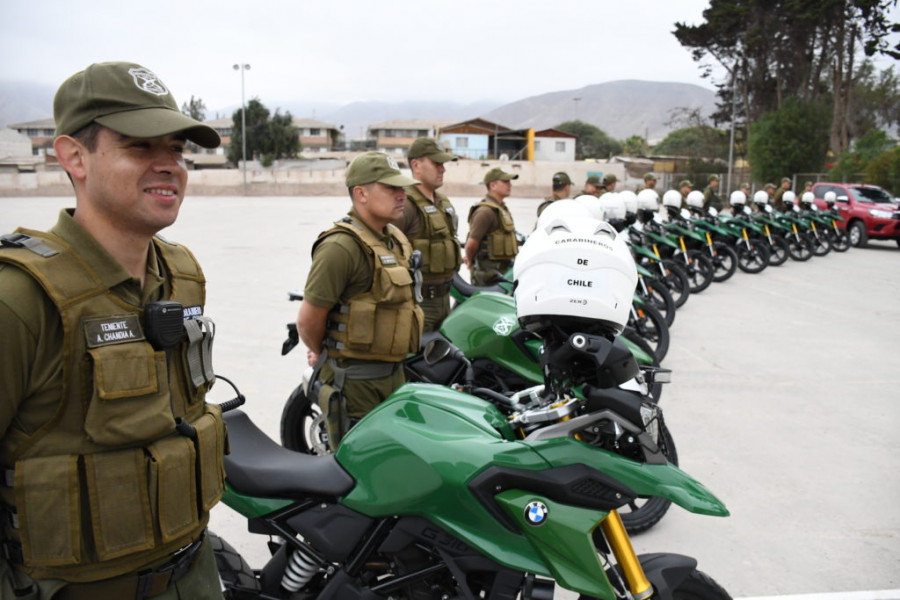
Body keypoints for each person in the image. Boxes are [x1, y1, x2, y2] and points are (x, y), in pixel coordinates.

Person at [0, 62, 225, 599]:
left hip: (193, 577)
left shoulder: (183, 275)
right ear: (74, 157)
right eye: (141, 147)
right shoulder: (20, 298)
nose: (168, 165)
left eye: (177, 150)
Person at [297, 152, 424, 443]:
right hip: (355, 383)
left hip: (393, 375)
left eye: (401, 187)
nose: (402, 194)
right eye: (391, 188)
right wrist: (323, 352)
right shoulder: (340, 246)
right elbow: (308, 320)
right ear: (361, 193)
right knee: (359, 473)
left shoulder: (393, 238)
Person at [392, 138, 461, 332]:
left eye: (443, 164)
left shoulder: (441, 201)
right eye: (437, 163)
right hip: (418, 304)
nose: (443, 169)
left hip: (445, 300)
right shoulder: (405, 205)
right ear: (416, 165)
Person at [464, 167, 519, 285]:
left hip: (503, 273)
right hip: (488, 277)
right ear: (493, 185)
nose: (509, 185)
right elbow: (471, 244)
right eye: (505, 182)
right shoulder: (485, 211)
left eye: (509, 181)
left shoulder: (501, 209)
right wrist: (470, 261)